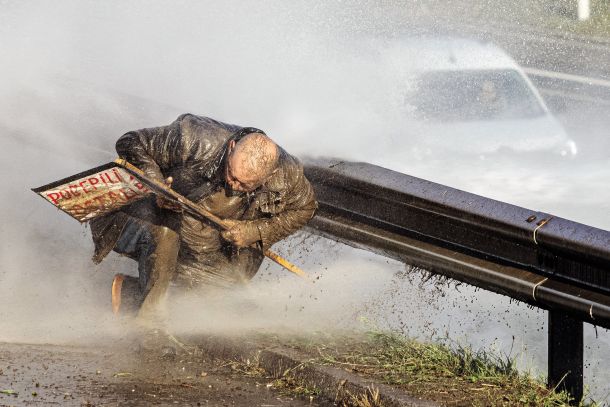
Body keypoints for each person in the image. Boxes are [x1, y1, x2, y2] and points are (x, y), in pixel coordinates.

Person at [89, 114, 317, 350]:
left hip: (207, 242)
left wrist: (255, 230)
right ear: (231, 148)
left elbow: (306, 208)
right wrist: (157, 187)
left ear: (268, 176)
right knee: (164, 237)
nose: (233, 186)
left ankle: (131, 293)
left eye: (245, 185)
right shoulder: (194, 138)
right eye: (232, 175)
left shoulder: (287, 174)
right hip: (143, 215)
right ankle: (150, 327)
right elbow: (130, 142)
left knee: (221, 302)